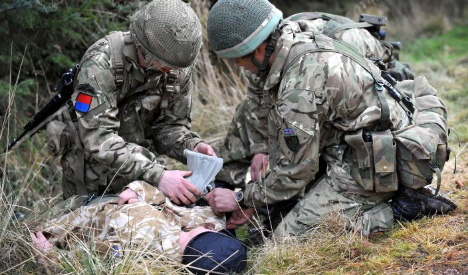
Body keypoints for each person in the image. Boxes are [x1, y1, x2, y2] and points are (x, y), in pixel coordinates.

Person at [205, 0, 415, 238]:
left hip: (376, 159)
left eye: (238, 58)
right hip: (345, 135)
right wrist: (260, 150)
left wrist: (241, 198)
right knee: (279, 209)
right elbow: (261, 111)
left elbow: (295, 172)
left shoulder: (298, 88)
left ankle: (398, 208)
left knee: (286, 239)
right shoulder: (291, 33)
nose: (238, 66)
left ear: (258, 50)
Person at [45, 0, 215, 204]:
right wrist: (159, 175)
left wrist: (191, 146)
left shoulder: (177, 67)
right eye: (166, 66)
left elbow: (169, 127)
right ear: (144, 50)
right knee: (87, 233)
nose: (173, 73)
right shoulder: (100, 63)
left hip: (142, 178)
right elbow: (98, 138)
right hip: (92, 178)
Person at [30, 181, 247, 275]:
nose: (215, 228)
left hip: (83, 217)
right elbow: (167, 199)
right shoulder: (204, 223)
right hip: (115, 199)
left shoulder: (140, 249)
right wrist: (136, 191)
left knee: (35, 229)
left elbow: (86, 260)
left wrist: (49, 256)